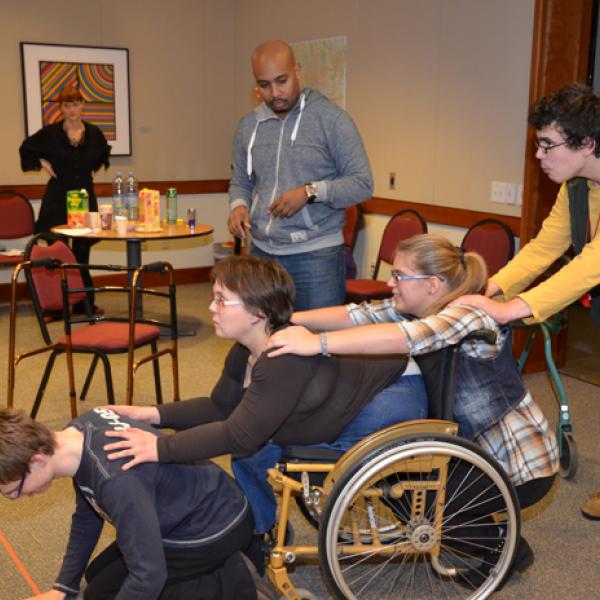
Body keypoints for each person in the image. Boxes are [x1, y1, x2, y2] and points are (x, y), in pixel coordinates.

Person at [267, 233, 559, 579]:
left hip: (517, 464)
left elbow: (406, 337)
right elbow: (355, 315)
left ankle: (504, 546)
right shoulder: (418, 306)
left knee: (425, 507)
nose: (390, 282)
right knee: (394, 481)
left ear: (433, 284)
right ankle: (481, 532)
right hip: (466, 451)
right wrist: (288, 320)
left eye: (399, 275)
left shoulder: (468, 312)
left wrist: (317, 344)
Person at [101, 254, 427, 538]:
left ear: (258, 312)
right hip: (350, 389)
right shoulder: (246, 349)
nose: (211, 308)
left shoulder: (282, 358)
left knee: (313, 459)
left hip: (395, 390)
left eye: (221, 300)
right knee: (253, 450)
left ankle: (327, 522)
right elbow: (219, 408)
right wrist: (153, 414)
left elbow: (239, 433)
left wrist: (160, 448)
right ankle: (263, 531)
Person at [452, 83, 600, 520]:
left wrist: (513, 309)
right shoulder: (576, 187)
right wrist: (488, 290)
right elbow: (543, 249)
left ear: (587, 143)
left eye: (547, 145)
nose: (539, 156)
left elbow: (592, 263)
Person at [0, 406, 273, 600]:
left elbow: (149, 575)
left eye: (13, 492)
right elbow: (87, 516)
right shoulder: (78, 433)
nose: (20, 498)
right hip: (194, 504)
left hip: (213, 528)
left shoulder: (114, 480)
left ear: (37, 461)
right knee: (97, 576)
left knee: (108, 592)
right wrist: (63, 587)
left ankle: (240, 583)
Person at [228, 40, 373, 310]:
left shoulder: (331, 120)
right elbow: (241, 181)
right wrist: (238, 205)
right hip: (261, 254)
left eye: (281, 80)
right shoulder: (249, 126)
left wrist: (310, 192)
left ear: (297, 71)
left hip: (316, 256)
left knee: (317, 344)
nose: (274, 93)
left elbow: (362, 184)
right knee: (266, 342)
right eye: (264, 85)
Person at [19, 85, 111, 315]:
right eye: (67, 105)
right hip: (58, 198)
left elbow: (103, 153)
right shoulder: (51, 134)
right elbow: (26, 148)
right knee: (56, 252)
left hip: (84, 197)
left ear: (82, 106)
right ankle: (56, 307)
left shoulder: (93, 133)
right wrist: (42, 162)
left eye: (76, 104)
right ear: (61, 108)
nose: (72, 109)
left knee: (81, 254)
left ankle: (84, 304)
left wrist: (89, 170)